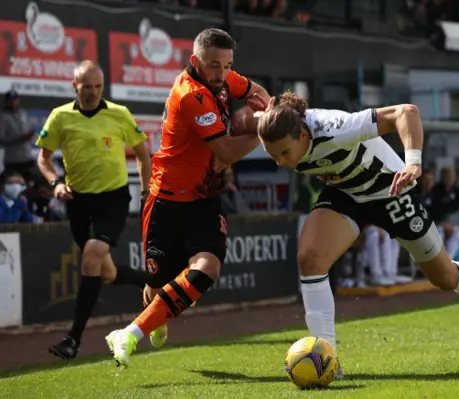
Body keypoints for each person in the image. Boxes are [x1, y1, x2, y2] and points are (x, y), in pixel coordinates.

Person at [255, 92, 459, 377]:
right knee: (310, 258)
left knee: (444, 277)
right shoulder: (277, 127)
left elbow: (406, 112)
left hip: (390, 190)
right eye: (271, 155)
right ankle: (328, 360)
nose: (280, 162)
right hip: (345, 191)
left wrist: (413, 162)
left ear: (301, 133)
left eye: (284, 153)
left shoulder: (336, 127)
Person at [105, 28, 270, 368]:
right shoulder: (191, 95)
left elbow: (258, 93)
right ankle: (154, 317)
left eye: (227, 65)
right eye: (214, 66)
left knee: (207, 268)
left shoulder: (223, 77)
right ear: (195, 62)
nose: (222, 74)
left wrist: (262, 110)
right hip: (165, 200)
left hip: (203, 199)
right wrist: (261, 128)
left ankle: (128, 334)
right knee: (154, 287)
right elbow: (225, 149)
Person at [36, 60, 152, 360]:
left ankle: (72, 339)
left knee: (91, 253)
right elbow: (44, 159)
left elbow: (142, 153)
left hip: (113, 198)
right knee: (106, 273)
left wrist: (149, 192)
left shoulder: (119, 114)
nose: (93, 92)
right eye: (86, 87)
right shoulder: (60, 117)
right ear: (75, 87)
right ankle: (145, 280)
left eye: (98, 86)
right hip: (78, 201)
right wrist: (55, 183)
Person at [0, 90, 37, 181]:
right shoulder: (2, 116)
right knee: (13, 185)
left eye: (14, 100)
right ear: (6, 101)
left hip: (27, 156)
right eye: (10, 100)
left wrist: (30, 136)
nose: (13, 102)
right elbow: (1, 140)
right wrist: (19, 138)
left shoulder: (23, 113)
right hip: (12, 159)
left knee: (31, 183)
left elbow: (28, 130)